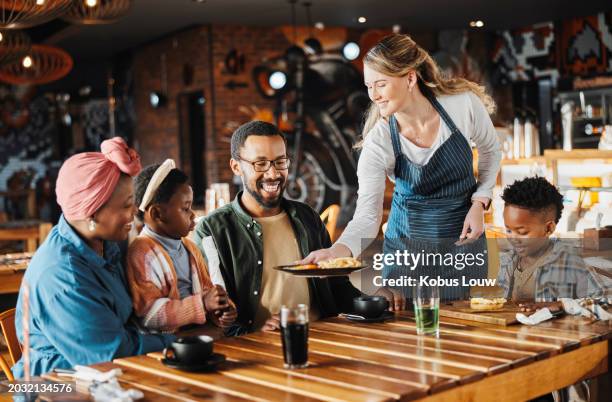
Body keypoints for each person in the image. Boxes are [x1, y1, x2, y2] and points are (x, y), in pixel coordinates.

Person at [301, 34, 501, 306]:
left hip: (463, 241)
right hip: (407, 250)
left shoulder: (461, 105)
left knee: (466, 328)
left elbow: (491, 150)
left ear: (410, 78)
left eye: (381, 84)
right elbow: (366, 217)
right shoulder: (379, 141)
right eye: (369, 85)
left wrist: (480, 202)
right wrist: (336, 251)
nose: (373, 95)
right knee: (407, 335)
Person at [13, 138, 174, 378]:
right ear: (91, 212)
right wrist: (177, 341)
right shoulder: (62, 276)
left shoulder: (105, 245)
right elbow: (110, 354)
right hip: (54, 385)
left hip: (104, 373)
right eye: (127, 205)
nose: (135, 211)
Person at [193, 121, 362, 335]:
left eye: (280, 162)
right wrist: (258, 335)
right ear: (236, 167)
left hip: (325, 337)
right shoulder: (212, 231)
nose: (273, 174)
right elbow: (216, 319)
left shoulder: (307, 216)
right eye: (260, 163)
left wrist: (377, 301)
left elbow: (339, 288)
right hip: (258, 353)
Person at [127, 160, 237, 333]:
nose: (193, 214)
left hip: (201, 336)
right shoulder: (141, 253)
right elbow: (149, 315)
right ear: (157, 213)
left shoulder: (190, 248)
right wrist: (202, 304)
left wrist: (220, 308)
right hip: (168, 347)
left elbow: (207, 291)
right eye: (186, 208)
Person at [498, 176, 608, 306]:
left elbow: (606, 299)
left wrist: (562, 306)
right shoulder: (507, 261)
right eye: (509, 230)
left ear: (549, 228)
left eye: (522, 232)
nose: (513, 238)